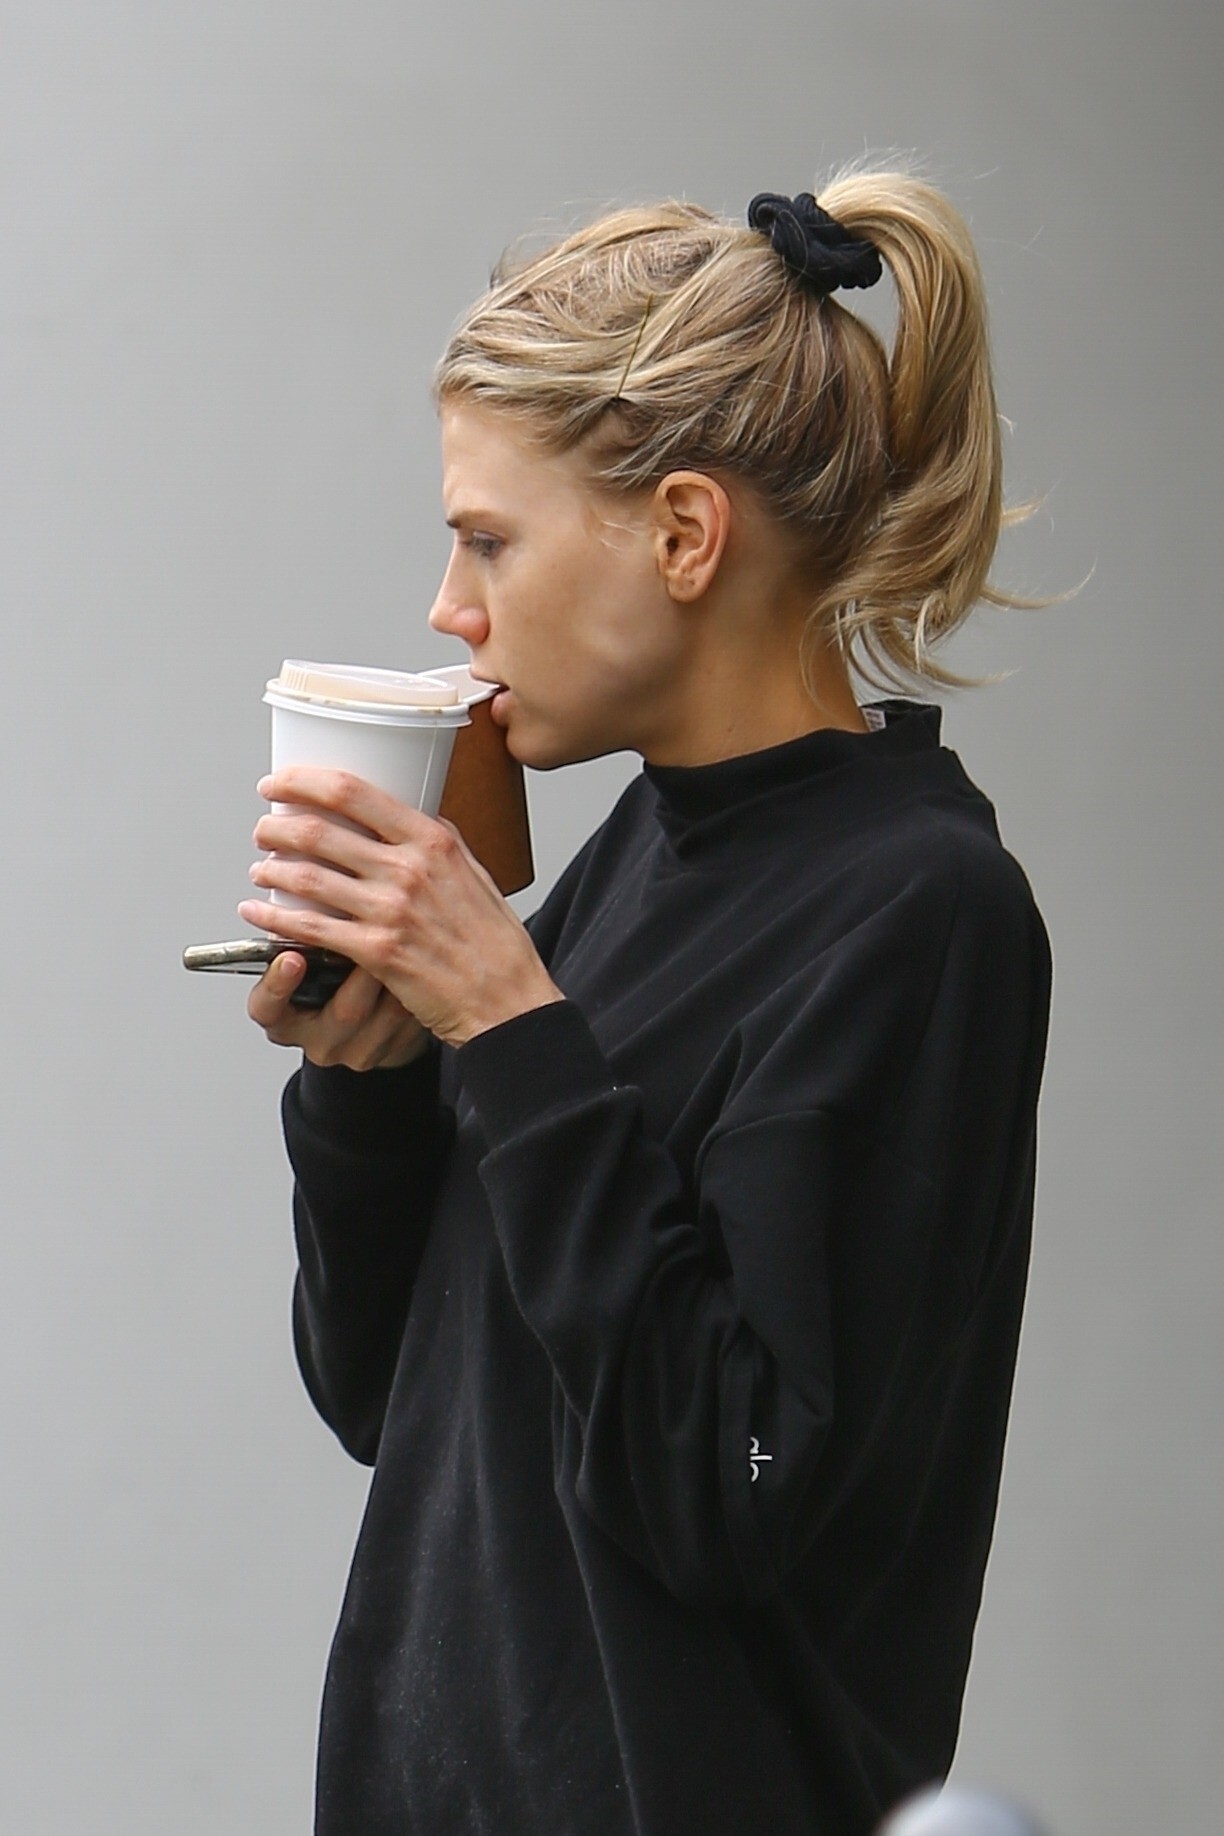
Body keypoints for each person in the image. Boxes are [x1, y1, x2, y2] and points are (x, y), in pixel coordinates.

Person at [241, 175, 1052, 1836]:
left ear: (684, 534)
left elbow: (730, 1487)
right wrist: (368, 1081)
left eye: (488, 540)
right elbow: (389, 1400)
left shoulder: (921, 912)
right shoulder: (626, 864)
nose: (450, 607)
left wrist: (512, 1024)